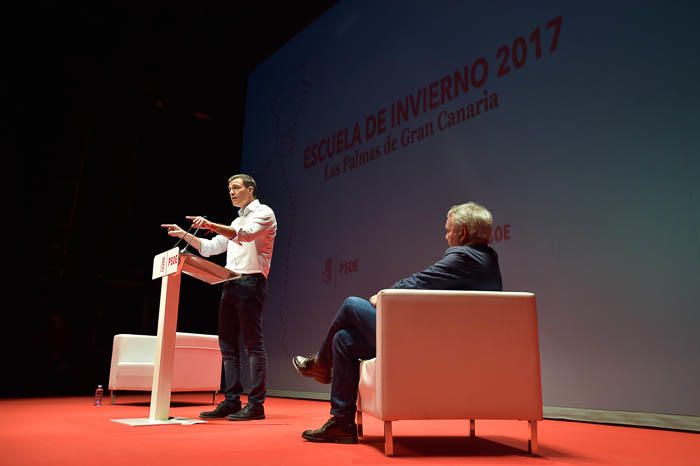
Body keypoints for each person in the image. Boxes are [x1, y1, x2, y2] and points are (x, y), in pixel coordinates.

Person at [293, 202, 502, 443]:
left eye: (448, 230)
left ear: (463, 232)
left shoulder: (464, 257)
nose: (446, 236)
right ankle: (341, 423)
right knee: (344, 340)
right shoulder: (487, 260)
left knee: (351, 304)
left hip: (427, 345)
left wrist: (383, 295)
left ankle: (320, 363)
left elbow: (419, 282)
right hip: (446, 343)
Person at [161, 174, 276, 421]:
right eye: (229, 189)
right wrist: (185, 235)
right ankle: (232, 401)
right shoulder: (236, 219)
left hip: (251, 282)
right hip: (230, 283)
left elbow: (243, 235)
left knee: (253, 345)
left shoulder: (264, 212)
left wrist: (210, 224)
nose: (231, 193)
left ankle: (256, 405)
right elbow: (212, 247)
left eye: (236, 188)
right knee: (227, 346)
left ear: (251, 189)